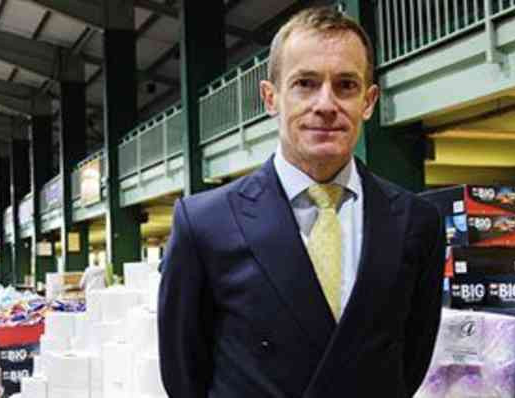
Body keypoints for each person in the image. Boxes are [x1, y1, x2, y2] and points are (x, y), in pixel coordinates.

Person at [158, 7, 445, 398]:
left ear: (369, 100)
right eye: (305, 83)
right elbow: (184, 374)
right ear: (270, 97)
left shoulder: (416, 222)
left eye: (346, 85)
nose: (326, 104)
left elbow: (410, 360)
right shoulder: (203, 223)